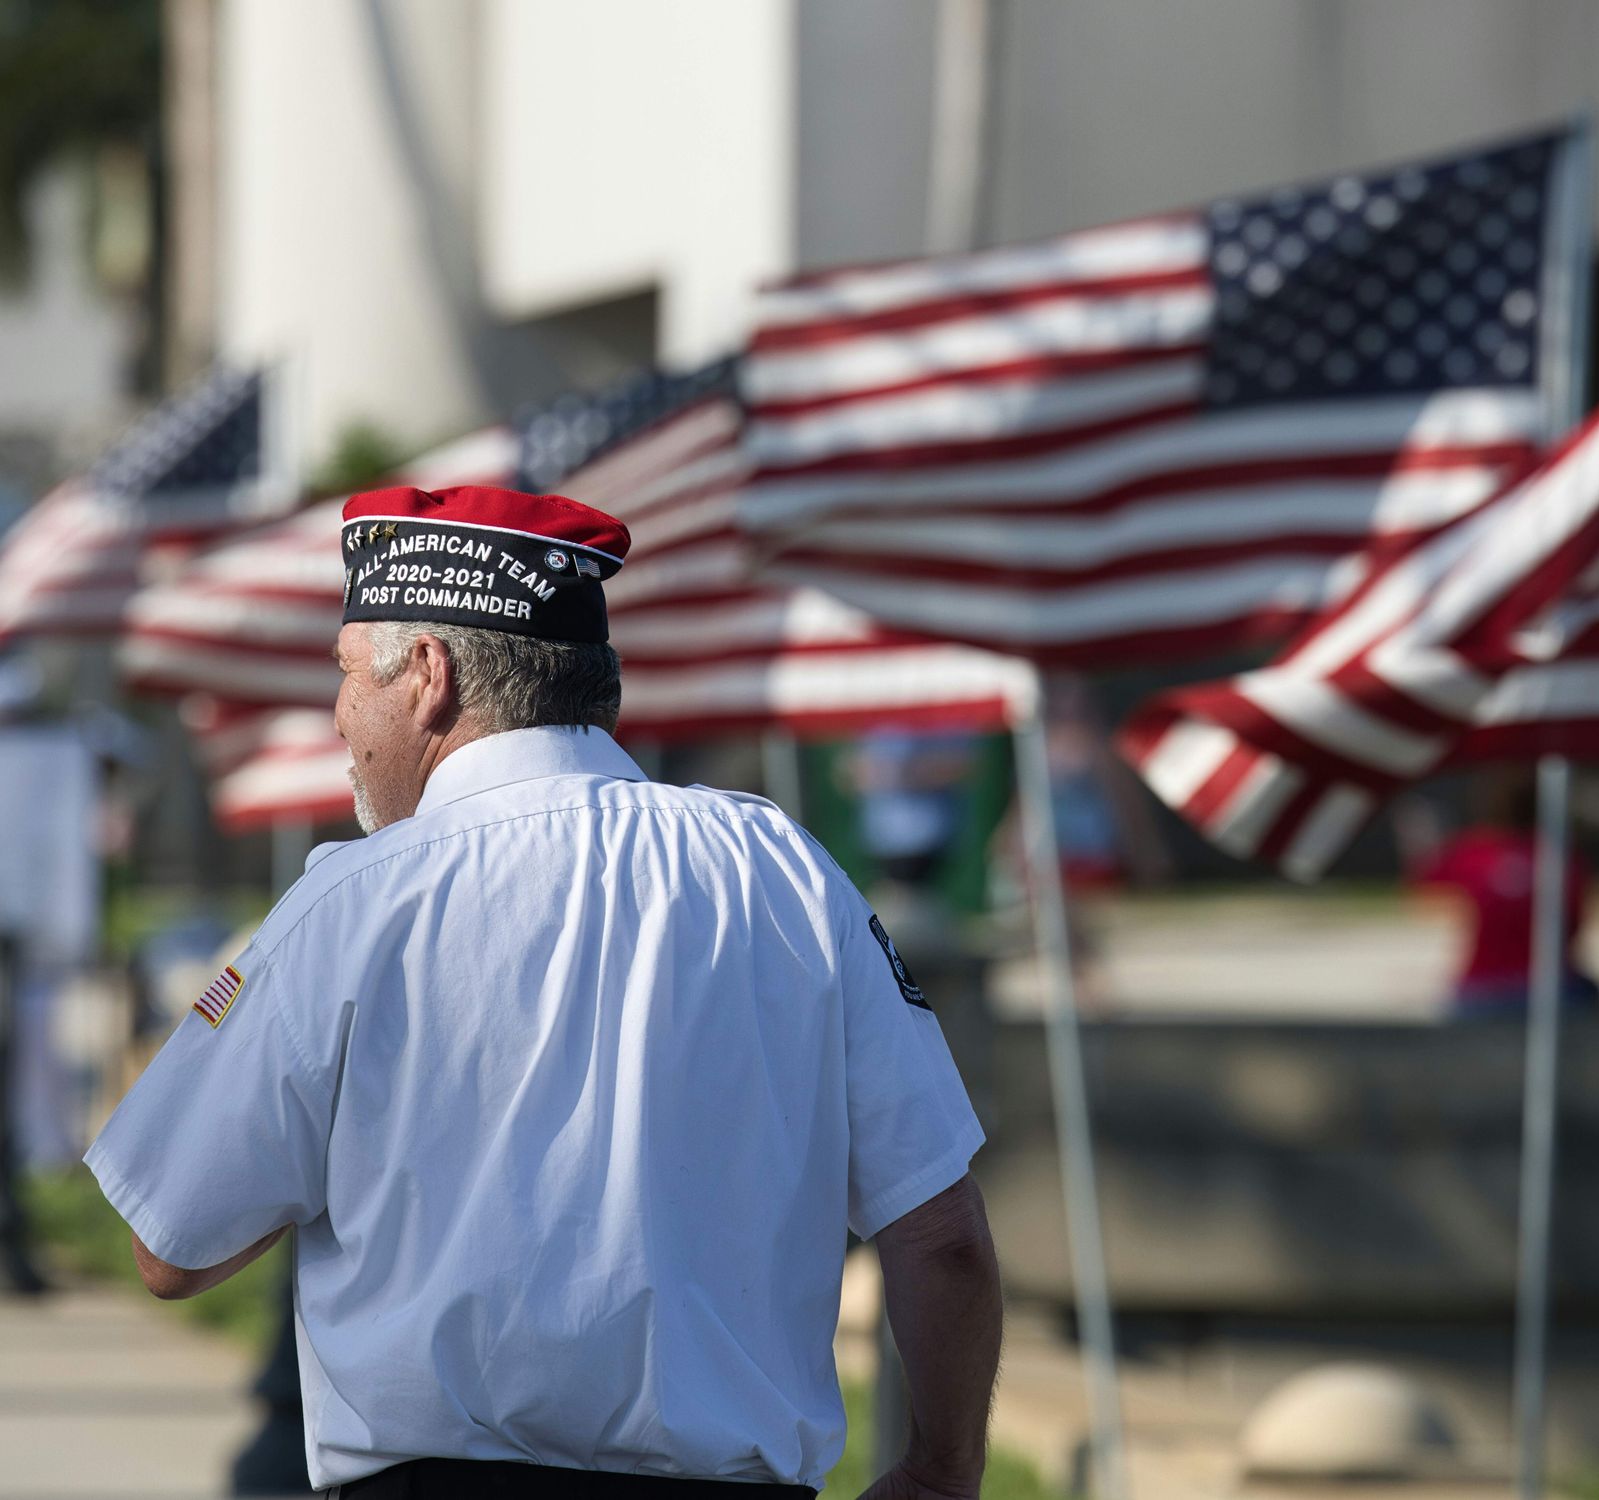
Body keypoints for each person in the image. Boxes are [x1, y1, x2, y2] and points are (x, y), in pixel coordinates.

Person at [83, 485, 1001, 1498]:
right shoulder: (784, 872)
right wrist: (941, 1471)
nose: (339, 716)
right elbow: (942, 1235)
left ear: (427, 674)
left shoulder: (351, 903)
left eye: (345, 674)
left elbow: (172, 1245)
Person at [1398, 771, 1599, 1020]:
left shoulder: (1474, 852)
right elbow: (1577, 924)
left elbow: (1423, 882)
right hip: (1549, 985)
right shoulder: (1561, 858)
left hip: (1482, 987)